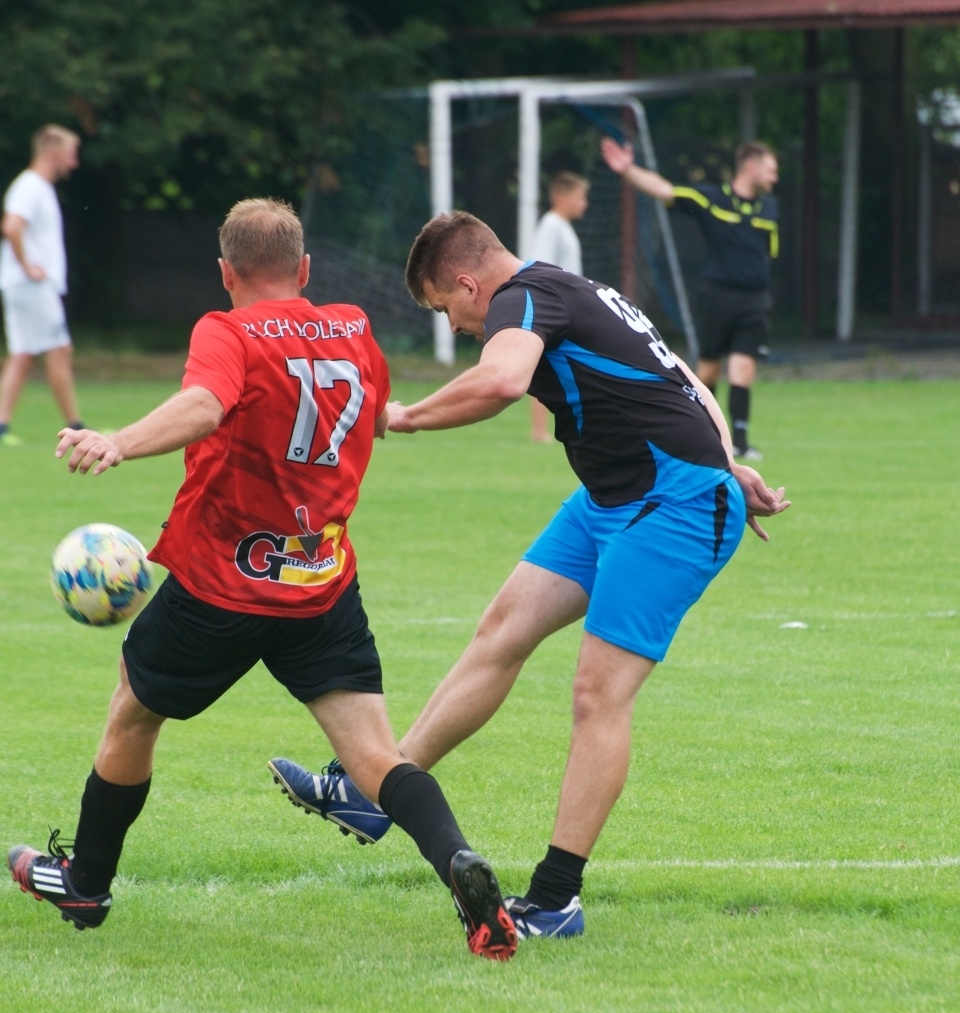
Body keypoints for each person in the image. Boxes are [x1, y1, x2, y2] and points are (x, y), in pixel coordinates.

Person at [7, 198, 519, 962]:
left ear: (226, 273)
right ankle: (460, 865)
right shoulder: (351, 325)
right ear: (305, 270)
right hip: (321, 584)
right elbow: (377, 413)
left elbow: (206, 403)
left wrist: (118, 439)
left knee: (132, 715)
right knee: (376, 757)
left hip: (221, 587)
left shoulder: (227, 329)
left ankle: (85, 881)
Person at [268, 212, 789, 940]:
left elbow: (505, 380)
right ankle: (367, 789)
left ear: (470, 283)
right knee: (501, 632)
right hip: (614, 497)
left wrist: (405, 417)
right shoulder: (578, 291)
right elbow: (689, 388)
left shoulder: (524, 298)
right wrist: (727, 458)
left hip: (673, 504)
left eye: (448, 310)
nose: (456, 328)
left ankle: (555, 899)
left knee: (595, 694)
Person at [601, 137, 779, 461]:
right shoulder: (712, 198)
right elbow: (666, 190)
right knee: (708, 372)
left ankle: (739, 441)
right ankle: (701, 435)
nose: (774, 178)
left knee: (742, 369)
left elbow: (769, 254)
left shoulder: (770, 208)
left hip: (754, 300)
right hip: (717, 297)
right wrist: (628, 171)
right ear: (750, 167)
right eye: (770, 169)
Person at [0, 124, 85, 446]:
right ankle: (77, 425)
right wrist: (28, 264)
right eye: (71, 155)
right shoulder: (31, 186)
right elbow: (11, 226)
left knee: (22, 354)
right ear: (54, 153)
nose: (73, 163)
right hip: (32, 285)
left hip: (18, 284)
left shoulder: (35, 186)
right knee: (59, 350)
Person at [527, 171, 590, 443]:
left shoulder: (563, 226)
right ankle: (539, 431)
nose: (584, 203)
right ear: (561, 197)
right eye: (579, 197)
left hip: (568, 306)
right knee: (545, 366)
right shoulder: (551, 225)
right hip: (555, 306)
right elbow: (542, 265)